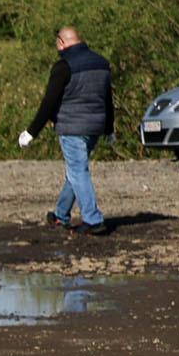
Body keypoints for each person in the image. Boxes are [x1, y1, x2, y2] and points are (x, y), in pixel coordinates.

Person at [18, 27, 113, 236]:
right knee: (75, 171)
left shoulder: (63, 66)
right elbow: (108, 98)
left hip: (72, 127)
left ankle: (93, 220)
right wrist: (109, 128)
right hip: (95, 126)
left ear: (62, 43)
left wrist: (31, 132)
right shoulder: (102, 63)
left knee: (78, 171)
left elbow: (49, 102)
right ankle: (61, 215)